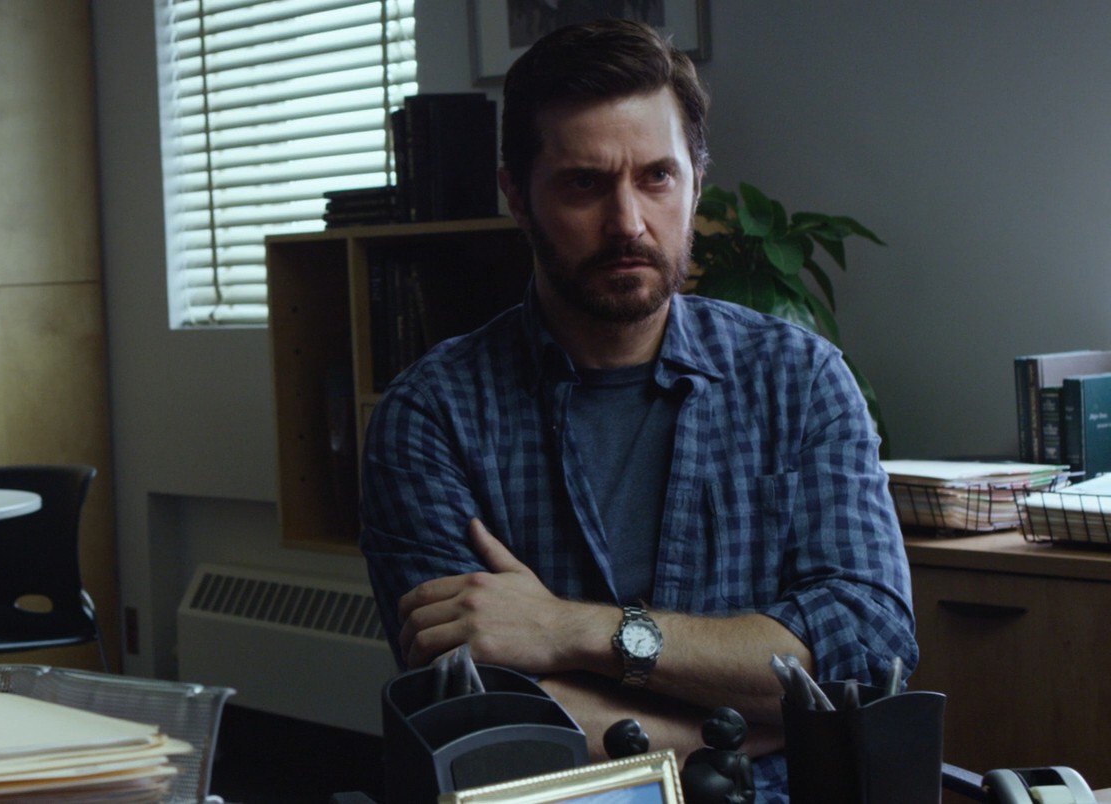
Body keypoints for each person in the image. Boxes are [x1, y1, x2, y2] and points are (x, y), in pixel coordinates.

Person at [358, 19, 914, 802]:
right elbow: (475, 713)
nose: (627, 222)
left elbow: (867, 644)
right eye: (584, 184)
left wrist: (568, 630)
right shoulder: (431, 416)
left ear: (696, 183)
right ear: (517, 196)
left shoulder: (800, 381)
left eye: (657, 177)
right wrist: (745, 730)